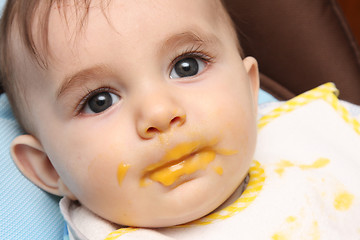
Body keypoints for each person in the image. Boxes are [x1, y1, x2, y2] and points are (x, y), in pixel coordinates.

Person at [1, 1, 359, 239]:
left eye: (187, 66)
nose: (159, 113)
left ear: (249, 88)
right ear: (49, 167)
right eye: (99, 101)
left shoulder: (317, 132)